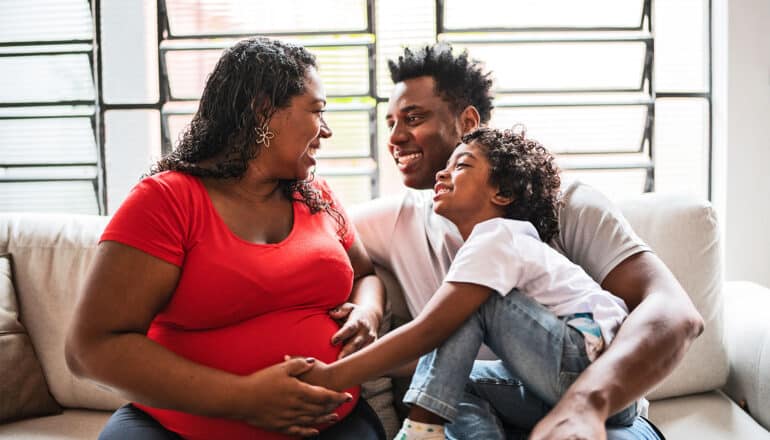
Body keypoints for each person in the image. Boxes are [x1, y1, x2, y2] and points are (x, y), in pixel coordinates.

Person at [350, 43, 705, 439]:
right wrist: (366, 309)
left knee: (482, 306)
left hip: (598, 411)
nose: (396, 138)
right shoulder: (396, 220)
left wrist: (586, 403)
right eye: (391, 123)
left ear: (467, 122)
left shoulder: (569, 206)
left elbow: (674, 313)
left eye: (413, 118)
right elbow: (319, 237)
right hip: (487, 413)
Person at [64, 37, 387, 440]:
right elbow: (89, 348)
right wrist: (243, 398)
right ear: (263, 110)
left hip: (332, 426)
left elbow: (366, 274)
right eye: (317, 112)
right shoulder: (167, 201)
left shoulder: (317, 196)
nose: (327, 130)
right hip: (177, 433)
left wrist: (368, 312)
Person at [297, 127, 640, 439]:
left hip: (597, 375)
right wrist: (361, 363)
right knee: (449, 382)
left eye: (461, 166)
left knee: (471, 312)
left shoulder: (497, 237)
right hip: (570, 387)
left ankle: (420, 430)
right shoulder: (491, 246)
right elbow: (433, 355)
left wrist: (331, 377)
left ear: (502, 194)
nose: (442, 172)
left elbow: (429, 330)